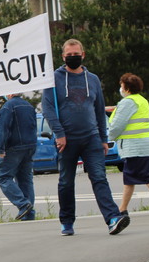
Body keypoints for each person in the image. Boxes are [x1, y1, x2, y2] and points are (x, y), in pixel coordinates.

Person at [41, 39, 129, 237]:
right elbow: (47, 108)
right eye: (69, 55)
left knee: (99, 177)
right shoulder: (53, 79)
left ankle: (112, 218)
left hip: (91, 138)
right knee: (66, 181)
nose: (73, 57)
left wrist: (103, 138)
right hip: (66, 140)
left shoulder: (93, 79)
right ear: (63, 57)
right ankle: (67, 221)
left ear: (83, 54)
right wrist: (59, 133)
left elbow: (99, 110)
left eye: (76, 54)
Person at [107, 73, 149, 216]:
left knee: (144, 176)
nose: (120, 88)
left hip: (135, 147)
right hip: (144, 146)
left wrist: (110, 136)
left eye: (121, 85)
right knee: (131, 177)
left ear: (126, 87)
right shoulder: (141, 100)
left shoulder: (128, 102)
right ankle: (123, 208)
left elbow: (118, 124)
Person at [0, 93, 38, 221]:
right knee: (25, 179)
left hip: (13, 146)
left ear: (10, 93)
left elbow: (3, 128)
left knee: (1, 175)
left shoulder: (8, 107)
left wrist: (0, 148)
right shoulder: (28, 105)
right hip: (30, 146)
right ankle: (29, 214)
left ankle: (23, 204)